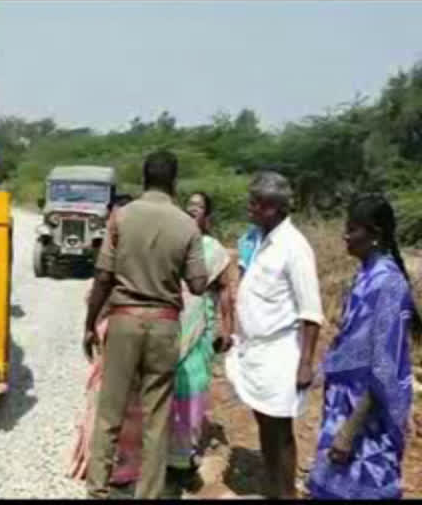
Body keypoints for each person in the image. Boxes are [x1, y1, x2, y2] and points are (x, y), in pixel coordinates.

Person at [83, 149, 208, 499]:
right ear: (174, 181)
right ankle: (149, 494)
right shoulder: (186, 224)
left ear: (144, 178)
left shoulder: (121, 217)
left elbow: (103, 276)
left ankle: (97, 489)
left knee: (111, 410)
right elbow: (198, 284)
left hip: (124, 320)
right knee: (157, 417)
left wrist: (90, 323)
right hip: (165, 324)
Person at [306, 193, 419, 500]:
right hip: (344, 403)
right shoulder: (365, 276)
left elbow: (386, 367)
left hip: (366, 415)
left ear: (375, 235)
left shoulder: (388, 284)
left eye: (353, 229)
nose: (345, 235)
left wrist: (348, 431)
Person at [224, 171, 324, 499]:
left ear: (274, 208)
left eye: (257, 204)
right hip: (257, 353)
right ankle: (273, 489)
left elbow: (311, 312)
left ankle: (285, 493)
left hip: (281, 354)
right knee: (265, 426)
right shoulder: (260, 241)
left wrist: (306, 363)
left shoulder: (294, 247)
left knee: (280, 431)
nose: (250, 208)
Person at [167, 192, 235, 474]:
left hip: (198, 330)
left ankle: (183, 456)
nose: (192, 209)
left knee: (191, 388)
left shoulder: (214, 249)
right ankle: (161, 451)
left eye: (199, 206)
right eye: (189, 205)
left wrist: (227, 329)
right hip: (169, 324)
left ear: (207, 215)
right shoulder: (173, 241)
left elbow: (225, 292)